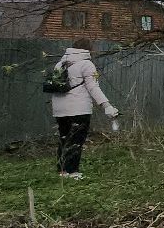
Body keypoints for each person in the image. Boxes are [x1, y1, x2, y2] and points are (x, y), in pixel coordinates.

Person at [48, 38, 118, 179]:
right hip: (78, 109)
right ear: (89, 49)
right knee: (76, 140)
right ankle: (73, 172)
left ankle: (62, 171)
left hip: (59, 109)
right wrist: (106, 105)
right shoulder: (87, 64)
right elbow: (93, 87)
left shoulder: (60, 64)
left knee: (64, 138)